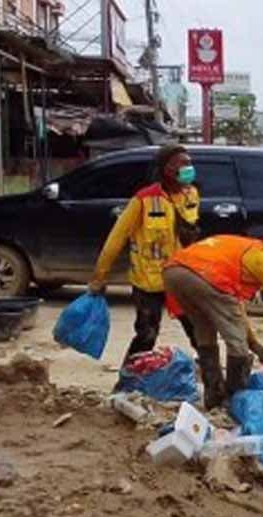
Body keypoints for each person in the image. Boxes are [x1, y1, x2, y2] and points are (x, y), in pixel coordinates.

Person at [163, 234, 263, 408]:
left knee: (204, 331)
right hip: (205, 276)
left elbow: (236, 309)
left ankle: (213, 397)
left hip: (173, 272)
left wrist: (253, 342)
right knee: (237, 345)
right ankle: (235, 400)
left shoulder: (238, 249)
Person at [88, 143, 200, 363]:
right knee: (146, 335)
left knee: (198, 331)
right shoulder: (143, 200)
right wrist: (99, 277)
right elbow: (115, 240)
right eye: (183, 164)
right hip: (148, 281)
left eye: (190, 164)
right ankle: (129, 379)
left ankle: (213, 378)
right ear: (167, 169)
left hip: (180, 277)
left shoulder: (192, 194)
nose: (189, 169)